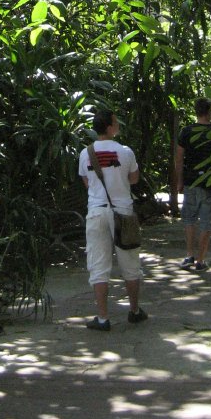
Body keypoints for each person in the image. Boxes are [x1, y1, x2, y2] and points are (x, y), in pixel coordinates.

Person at [78, 108, 147, 331]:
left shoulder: (85, 153)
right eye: (116, 122)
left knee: (98, 265)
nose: (118, 125)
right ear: (109, 127)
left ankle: (102, 317)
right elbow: (134, 179)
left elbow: (87, 182)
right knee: (130, 263)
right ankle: (134, 310)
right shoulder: (125, 152)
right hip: (123, 211)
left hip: (96, 211)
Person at [175, 97, 211, 273]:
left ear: (196, 111)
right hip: (209, 182)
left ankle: (190, 254)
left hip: (191, 181)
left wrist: (180, 180)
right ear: (209, 111)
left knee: (189, 219)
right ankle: (200, 260)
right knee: (207, 221)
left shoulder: (186, 131)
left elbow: (179, 158)